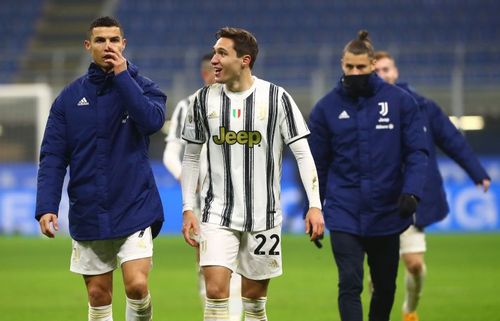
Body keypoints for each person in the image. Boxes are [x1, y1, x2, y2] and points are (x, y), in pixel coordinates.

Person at [181, 27, 325, 321]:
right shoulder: (202, 100)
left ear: (244, 60)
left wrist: (315, 204)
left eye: (222, 53)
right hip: (216, 213)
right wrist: (187, 208)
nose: (214, 61)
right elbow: (191, 157)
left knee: (255, 301)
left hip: (265, 216)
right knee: (217, 293)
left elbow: (302, 153)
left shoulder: (276, 98)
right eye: (214, 53)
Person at [35, 16, 166, 321]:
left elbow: (151, 122)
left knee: (136, 285)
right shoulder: (68, 99)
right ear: (88, 46)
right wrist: (46, 206)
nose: (108, 46)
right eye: (100, 40)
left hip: (135, 206)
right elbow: (53, 156)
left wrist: (123, 76)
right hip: (88, 209)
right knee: (98, 295)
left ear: (124, 44)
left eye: (113, 40)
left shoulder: (145, 87)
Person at [308, 30, 429, 321]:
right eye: (349, 67)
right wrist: (313, 207)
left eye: (360, 67)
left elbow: (417, 152)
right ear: (342, 64)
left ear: (373, 65)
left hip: (387, 211)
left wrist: (412, 191)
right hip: (344, 211)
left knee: (385, 286)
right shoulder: (326, 108)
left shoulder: (400, 102)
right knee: (350, 282)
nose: (354, 72)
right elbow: (316, 164)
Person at [374, 50, 491, 321]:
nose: (383, 75)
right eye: (377, 70)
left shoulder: (422, 106)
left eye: (386, 69)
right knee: (379, 272)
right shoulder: (361, 108)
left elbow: (452, 140)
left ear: (396, 72)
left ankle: (409, 309)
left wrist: (477, 172)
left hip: (410, 198)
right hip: (376, 201)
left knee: (414, 265)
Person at [163, 53, 243, 321]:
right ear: (203, 73)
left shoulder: (245, 102)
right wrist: (186, 178)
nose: (215, 74)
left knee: (240, 268)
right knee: (208, 268)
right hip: (204, 203)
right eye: (211, 70)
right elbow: (170, 155)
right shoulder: (188, 106)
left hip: (241, 199)